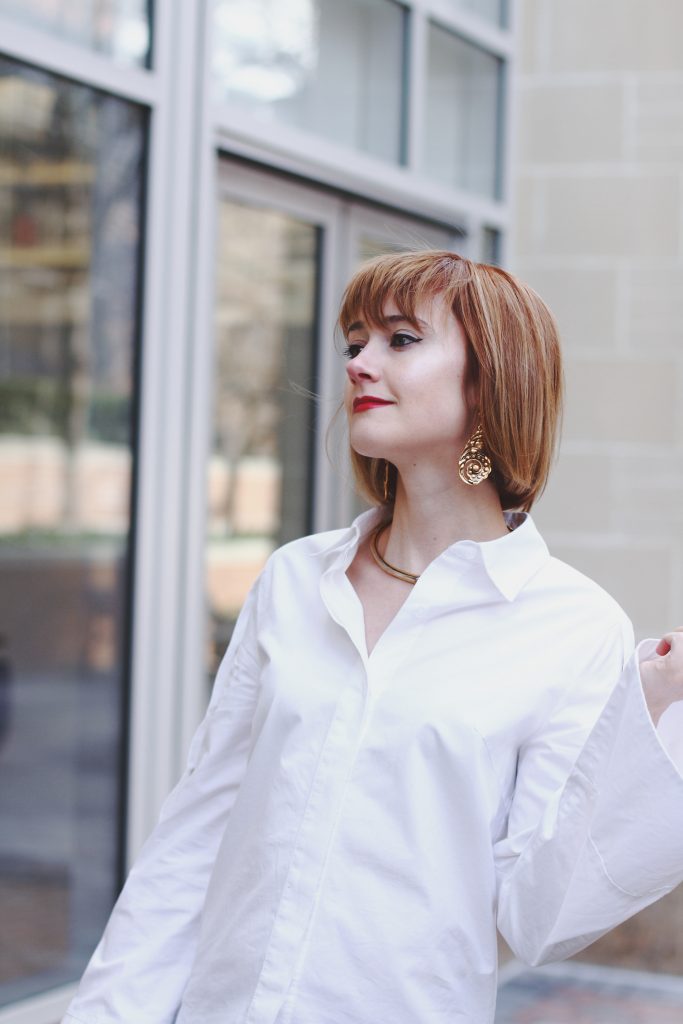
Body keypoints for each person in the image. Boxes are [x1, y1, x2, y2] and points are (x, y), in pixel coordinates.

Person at [62, 251, 683, 1024]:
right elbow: (195, 836)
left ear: (488, 381)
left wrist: (648, 714)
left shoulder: (572, 627)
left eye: (398, 340)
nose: (358, 362)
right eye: (354, 341)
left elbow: (536, 916)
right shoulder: (293, 583)